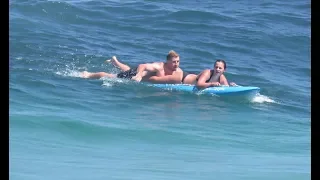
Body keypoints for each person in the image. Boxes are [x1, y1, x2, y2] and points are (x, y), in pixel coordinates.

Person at [107, 58, 237, 88]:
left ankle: (116, 62)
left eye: (220, 68)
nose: (217, 69)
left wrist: (234, 86)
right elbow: (199, 85)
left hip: (182, 78)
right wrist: (212, 85)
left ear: (224, 69)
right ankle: (111, 71)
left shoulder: (222, 77)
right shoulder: (207, 73)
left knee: (131, 72)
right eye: (216, 67)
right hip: (180, 78)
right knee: (144, 77)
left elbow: (226, 87)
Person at [80, 50, 185, 84]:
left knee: (128, 69)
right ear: (167, 61)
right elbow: (142, 65)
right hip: (137, 73)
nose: (176, 64)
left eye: (178, 61)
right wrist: (139, 75)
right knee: (111, 76)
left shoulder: (175, 70)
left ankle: (115, 61)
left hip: (138, 73)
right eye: (174, 62)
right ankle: (88, 74)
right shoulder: (159, 67)